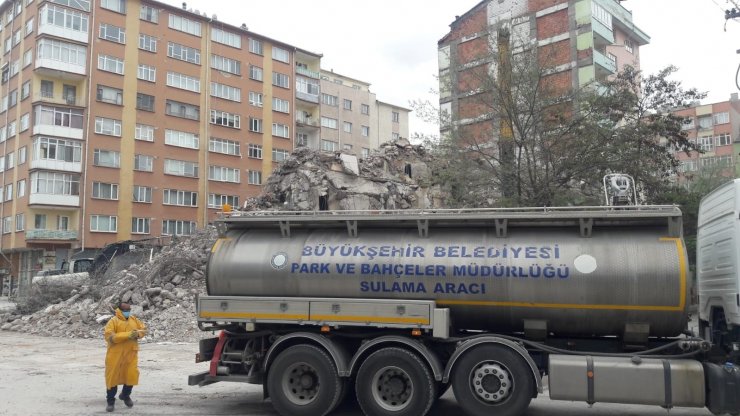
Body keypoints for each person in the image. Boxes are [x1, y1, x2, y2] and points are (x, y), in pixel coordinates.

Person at [103, 302, 147, 412]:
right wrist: (127, 335)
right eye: (126, 310)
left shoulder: (133, 319)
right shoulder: (113, 321)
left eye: (129, 310)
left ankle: (125, 395)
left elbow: (143, 330)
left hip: (130, 354)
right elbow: (110, 337)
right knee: (112, 378)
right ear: (120, 310)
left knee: (131, 376)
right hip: (115, 355)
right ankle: (110, 401)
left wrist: (138, 334)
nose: (128, 312)